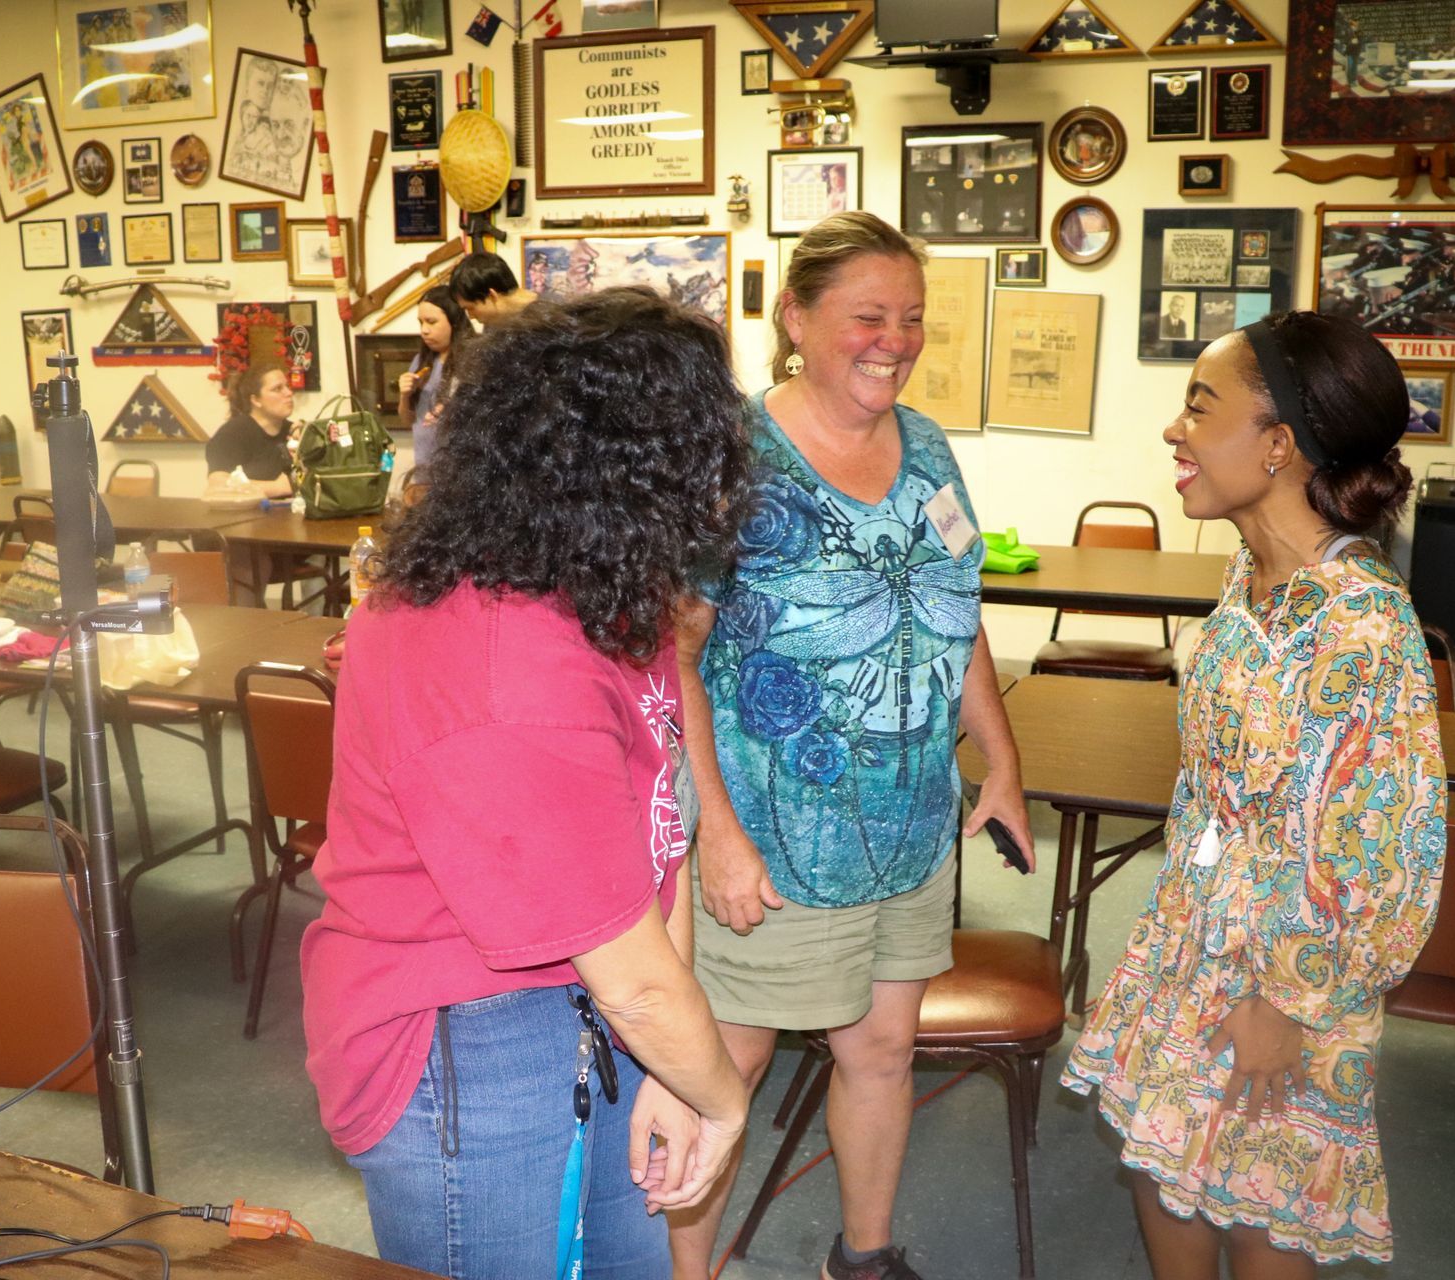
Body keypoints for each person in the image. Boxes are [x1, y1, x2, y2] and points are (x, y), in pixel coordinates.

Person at [303, 288, 754, 1278]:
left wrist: (671, 1071)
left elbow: (657, 833)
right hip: (466, 1033)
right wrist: (720, 1090)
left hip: (589, 994)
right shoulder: (504, 663)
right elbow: (632, 975)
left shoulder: (591, 584)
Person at [668, 211, 1034, 1280]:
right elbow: (672, 654)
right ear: (795, 317)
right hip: (776, 836)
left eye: (912, 319)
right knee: (721, 1072)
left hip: (909, 827)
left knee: (881, 1049)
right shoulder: (733, 458)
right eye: (868, 316)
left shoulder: (927, 448)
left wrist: (1000, 761)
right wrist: (719, 835)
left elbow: (952, 608)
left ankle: (862, 1256)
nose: (895, 340)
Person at [1061, 311, 1447, 1276]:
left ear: (1278, 445)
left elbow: (1387, 854)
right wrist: (1174, 941)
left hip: (1291, 975)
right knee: (1163, 1162)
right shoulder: (1253, 575)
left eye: (1200, 405)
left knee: (1256, 1196)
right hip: (1197, 934)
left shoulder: (1360, 625)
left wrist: (1288, 1003)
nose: (1174, 429)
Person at [394, 285, 470, 469]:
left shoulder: (472, 360)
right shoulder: (421, 361)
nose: (424, 330)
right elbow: (407, 421)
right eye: (421, 323)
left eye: (431, 322)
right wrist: (405, 395)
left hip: (460, 470)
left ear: (454, 321)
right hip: (424, 469)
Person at [205, 361, 295, 498]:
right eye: (277, 389)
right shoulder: (233, 434)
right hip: (247, 516)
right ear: (256, 400)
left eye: (287, 386)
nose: (289, 393)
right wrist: (278, 488)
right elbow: (218, 485)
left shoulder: (294, 431)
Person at [450, 249, 537, 325]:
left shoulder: (546, 320)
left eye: (470, 308)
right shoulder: (500, 323)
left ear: (492, 296)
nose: (471, 317)